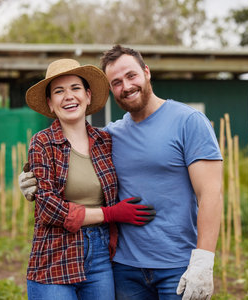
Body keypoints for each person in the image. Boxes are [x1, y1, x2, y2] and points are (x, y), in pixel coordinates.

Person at [20, 45, 223, 300]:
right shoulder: (110, 135)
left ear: (146, 72)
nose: (126, 86)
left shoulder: (186, 122)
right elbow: (57, 188)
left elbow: (211, 194)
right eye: (116, 82)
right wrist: (32, 181)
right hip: (124, 267)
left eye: (131, 76)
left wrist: (204, 260)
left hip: (175, 264)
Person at [23, 58, 156, 300]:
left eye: (75, 88)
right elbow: (48, 209)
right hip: (55, 255)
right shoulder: (42, 143)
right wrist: (111, 214)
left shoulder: (105, 141)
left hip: (100, 256)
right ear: (50, 104)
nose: (68, 97)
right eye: (58, 92)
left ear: (87, 95)